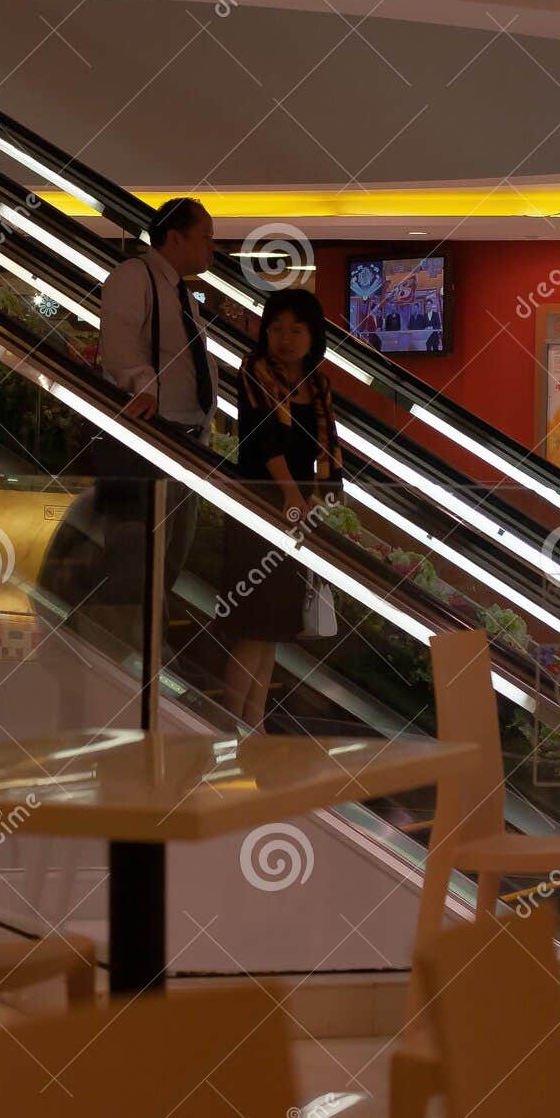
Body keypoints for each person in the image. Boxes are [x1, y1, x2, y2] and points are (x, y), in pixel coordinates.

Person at [217, 289, 342, 729]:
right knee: (254, 627)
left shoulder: (319, 384)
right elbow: (264, 441)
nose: (285, 339)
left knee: (272, 631)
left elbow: (329, 451)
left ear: (313, 336)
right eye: (276, 329)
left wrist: (317, 502)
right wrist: (291, 496)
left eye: (296, 330)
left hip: (297, 512)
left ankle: (255, 721)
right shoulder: (254, 371)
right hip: (260, 505)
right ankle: (232, 724)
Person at [95, 197, 218, 643]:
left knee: (164, 569)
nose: (212, 247)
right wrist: (141, 383)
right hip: (151, 445)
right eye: (205, 236)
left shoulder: (182, 294)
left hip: (183, 447)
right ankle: (126, 662)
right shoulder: (136, 276)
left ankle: (142, 663)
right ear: (175, 237)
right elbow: (120, 339)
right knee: (138, 570)